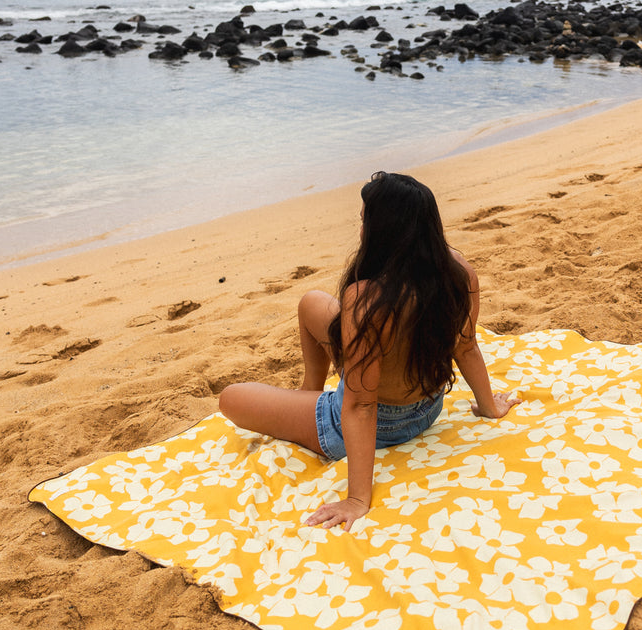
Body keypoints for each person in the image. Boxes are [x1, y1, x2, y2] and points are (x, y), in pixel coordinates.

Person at [219, 171, 519, 531]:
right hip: (429, 406)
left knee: (230, 399)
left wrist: (358, 499)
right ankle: (308, 394)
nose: (361, 228)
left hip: (383, 424)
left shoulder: (367, 299)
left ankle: (310, 412)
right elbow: (466, 346)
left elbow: (361, 405)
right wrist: (489, 408)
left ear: (383, 230)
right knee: (311, 303)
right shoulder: (456, 272)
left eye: (364, 219)